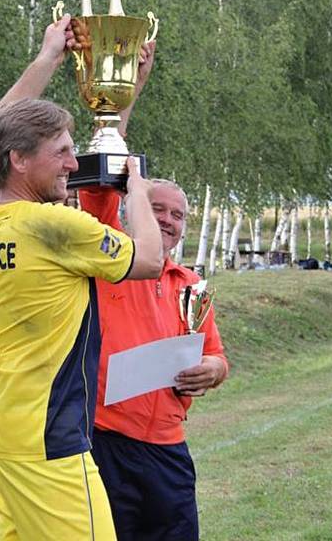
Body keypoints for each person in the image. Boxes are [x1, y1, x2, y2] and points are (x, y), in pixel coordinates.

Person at [0, 13, 163, 541]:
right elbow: (148, 260)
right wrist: (136, 184)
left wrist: (52, 56)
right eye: (63, 152)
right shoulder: (50, 223)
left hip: (4, 425)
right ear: (21, 161)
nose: (75, 164)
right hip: (51, 437)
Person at [80, 41, 228, 540]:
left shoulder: (191, 287)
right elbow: (105, 163)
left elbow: (217, 357)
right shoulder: (109, 258)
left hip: (168, 448)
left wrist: (212, 371)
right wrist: (130, 91)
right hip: (107, 442)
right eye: (156, 208)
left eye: (177, 215)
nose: (166, 220)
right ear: (131, 209)